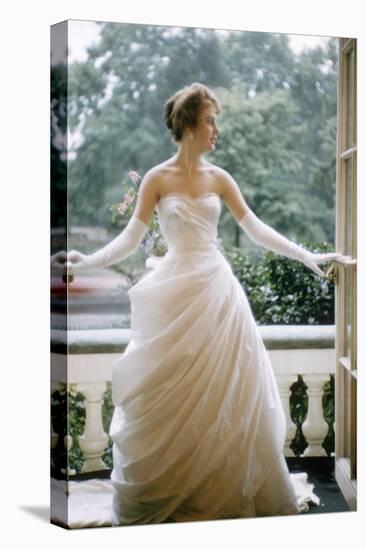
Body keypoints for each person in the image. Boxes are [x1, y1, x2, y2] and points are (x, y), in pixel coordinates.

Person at [68, 82, 339, 525]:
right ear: (190, 124)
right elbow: (131, 239)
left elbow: (256, 228)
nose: (217, 130)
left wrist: (307, 255)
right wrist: (87, 260)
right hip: (175, 296)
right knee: (171, 397)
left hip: (218, 296)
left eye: (216, 122)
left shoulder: (220, 178)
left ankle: (222, 490)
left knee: (229, 395)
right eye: (211, 121)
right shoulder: (157, 179)